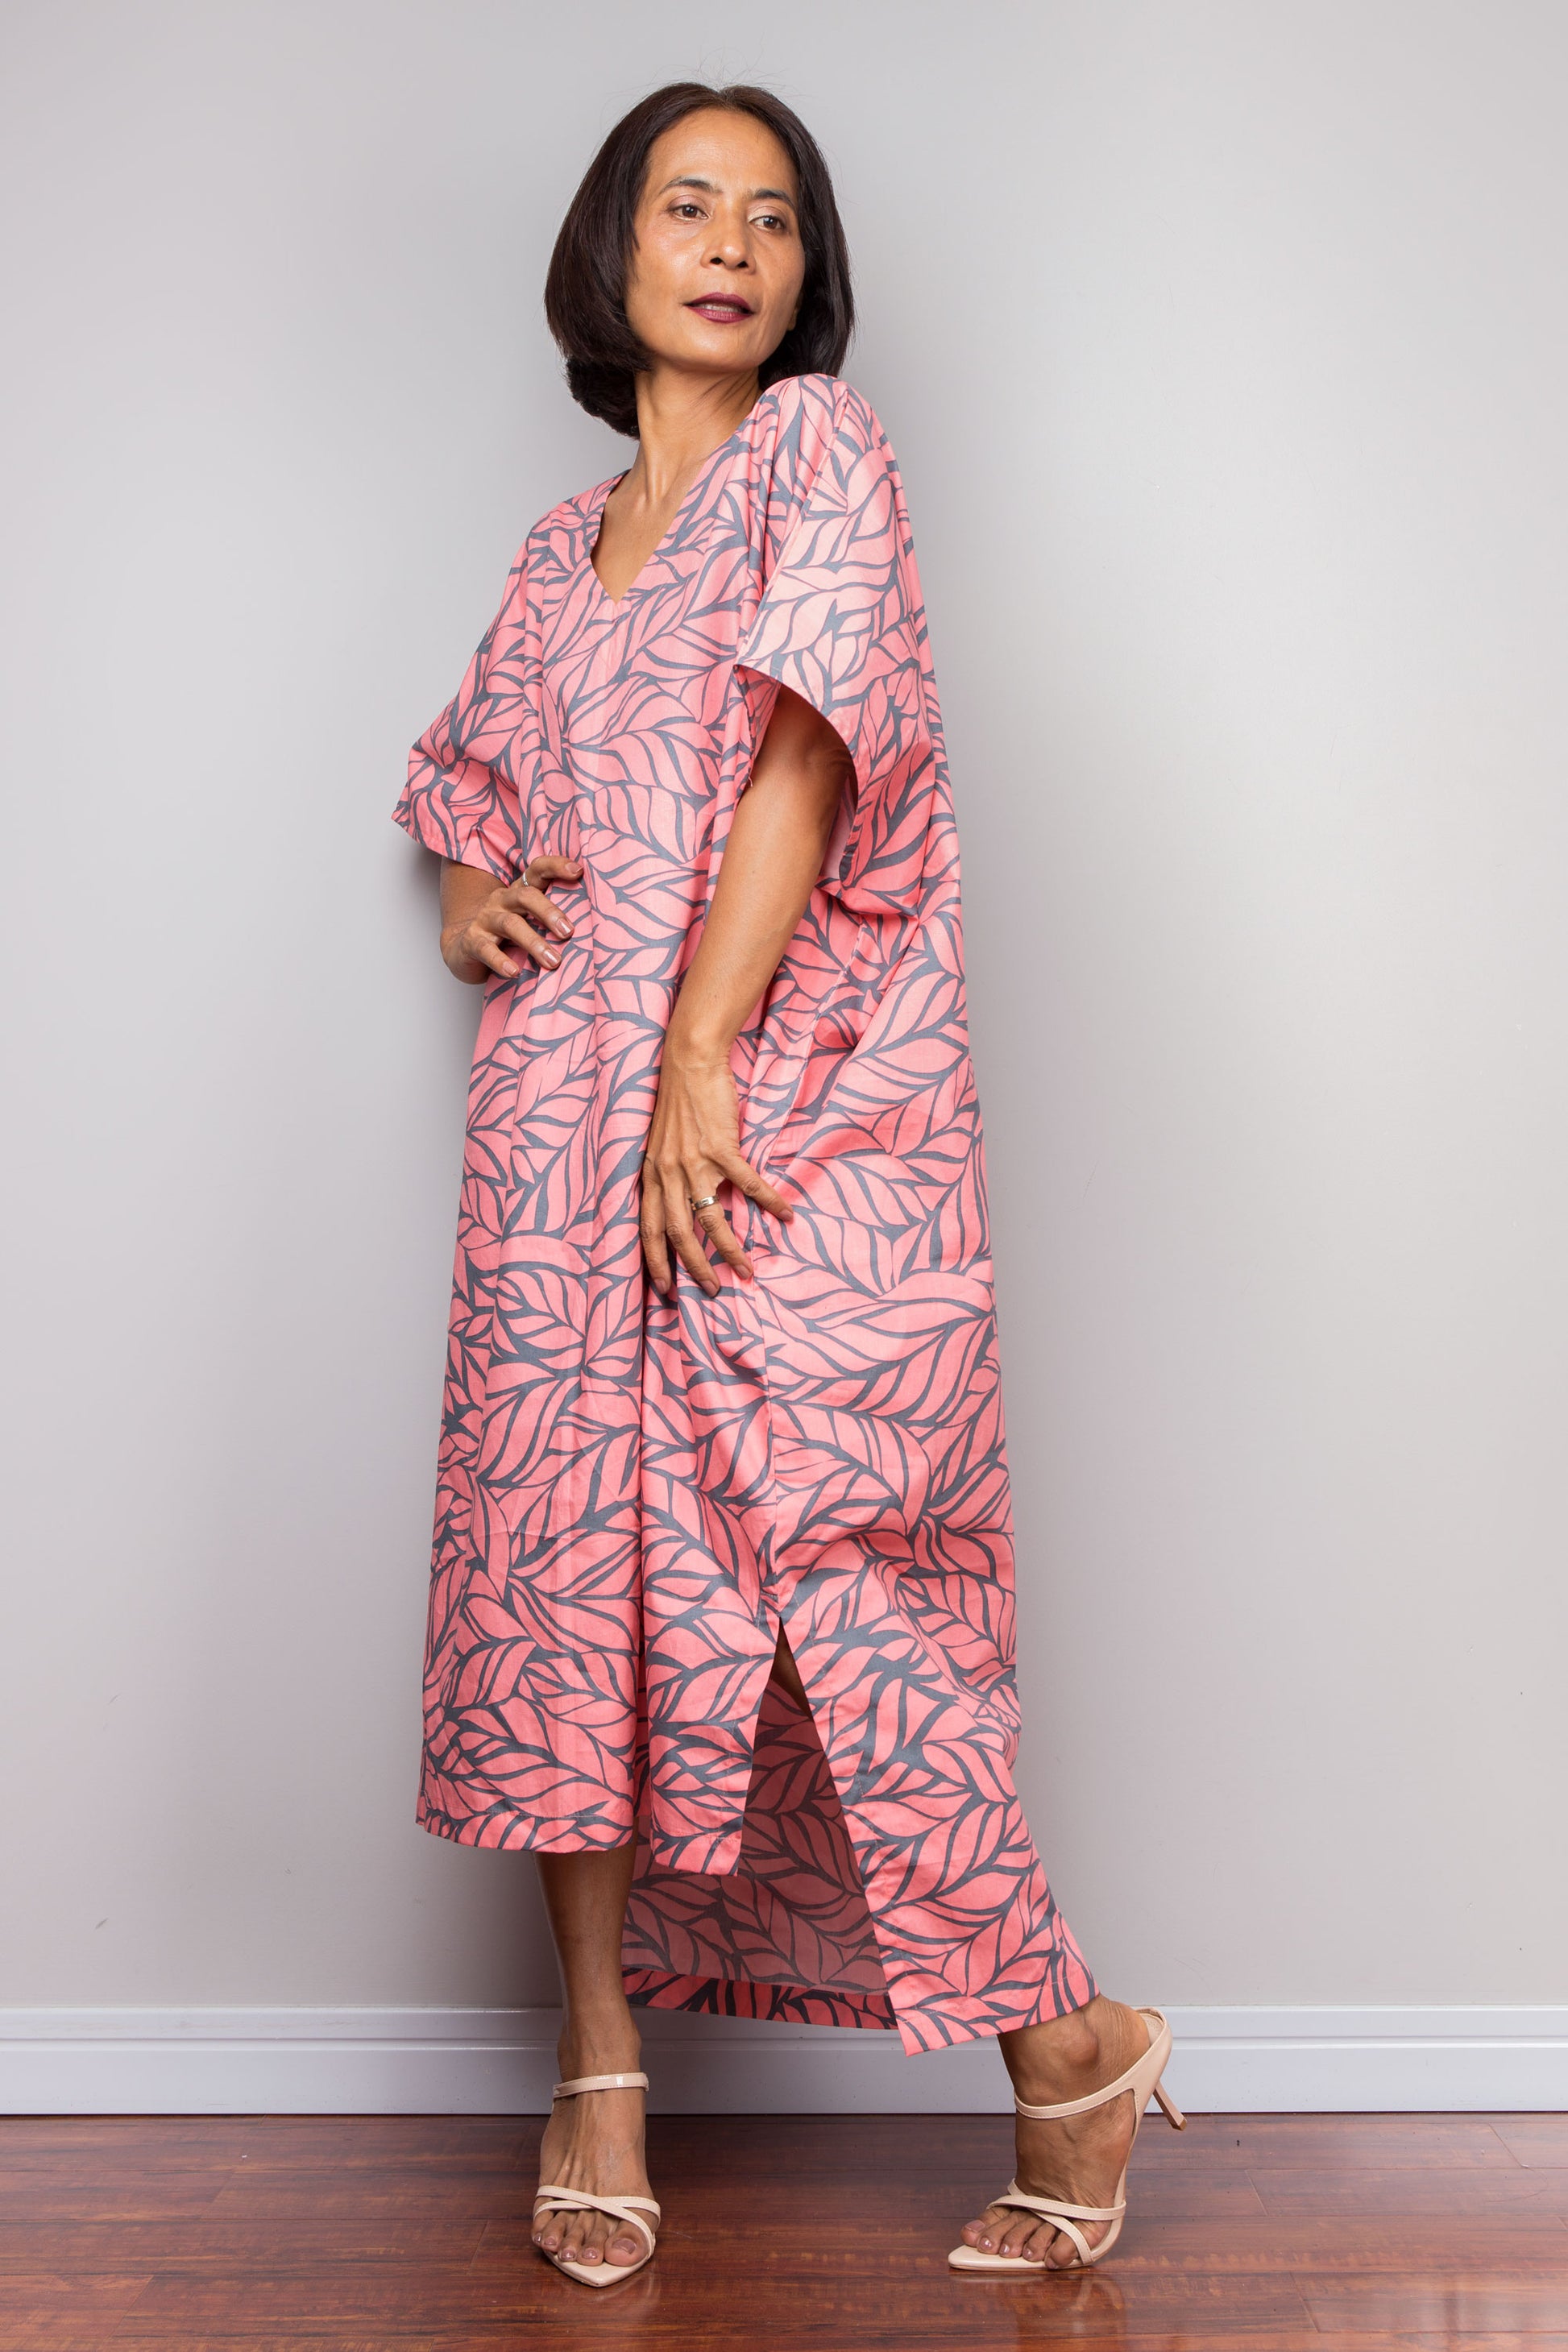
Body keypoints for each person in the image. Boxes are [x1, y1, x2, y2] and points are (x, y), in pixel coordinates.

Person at [392, 79, 1182, 2288]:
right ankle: (594, 2067)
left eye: (769, 215)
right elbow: (463, 777)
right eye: (683, 206)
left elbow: (814, 751)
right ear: (610, 254)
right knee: (570, 1592)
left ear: (802, 272)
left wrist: (703, 1050)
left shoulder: (821, 457)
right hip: (560, 1122)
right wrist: (471, 892)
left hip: (780, 1108)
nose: (728, 245)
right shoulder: (557, 552)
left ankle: (1068, 2041)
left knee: (843, 1573)